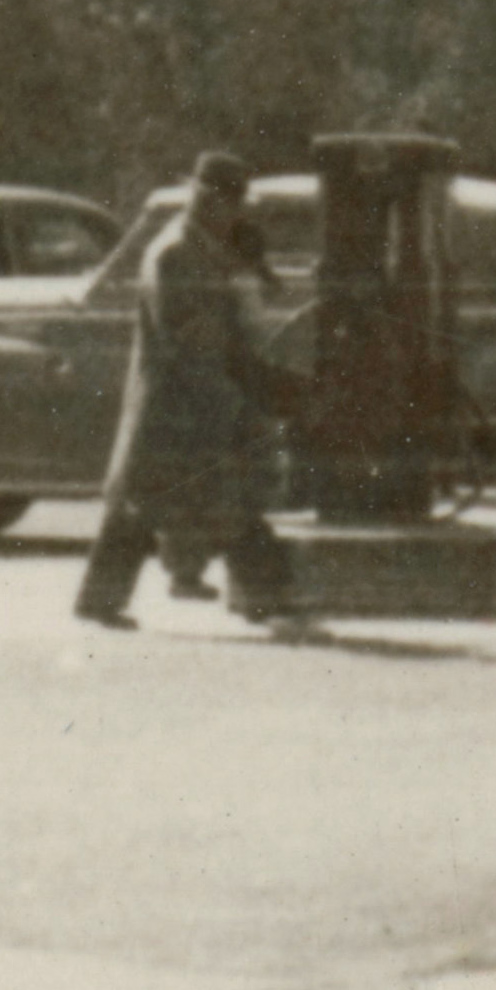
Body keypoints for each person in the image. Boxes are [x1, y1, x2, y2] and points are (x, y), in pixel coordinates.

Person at [75, 151, 309, 634]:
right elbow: (191, 338)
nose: (238, 213)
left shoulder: (201, 248)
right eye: (233, 202)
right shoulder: (177, 253)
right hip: (180, 405)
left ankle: (99, 601)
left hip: (190, 403)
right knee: (218, 506)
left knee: (156, 506)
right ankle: (271, 602)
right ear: (211, 201)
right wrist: (251, 385)